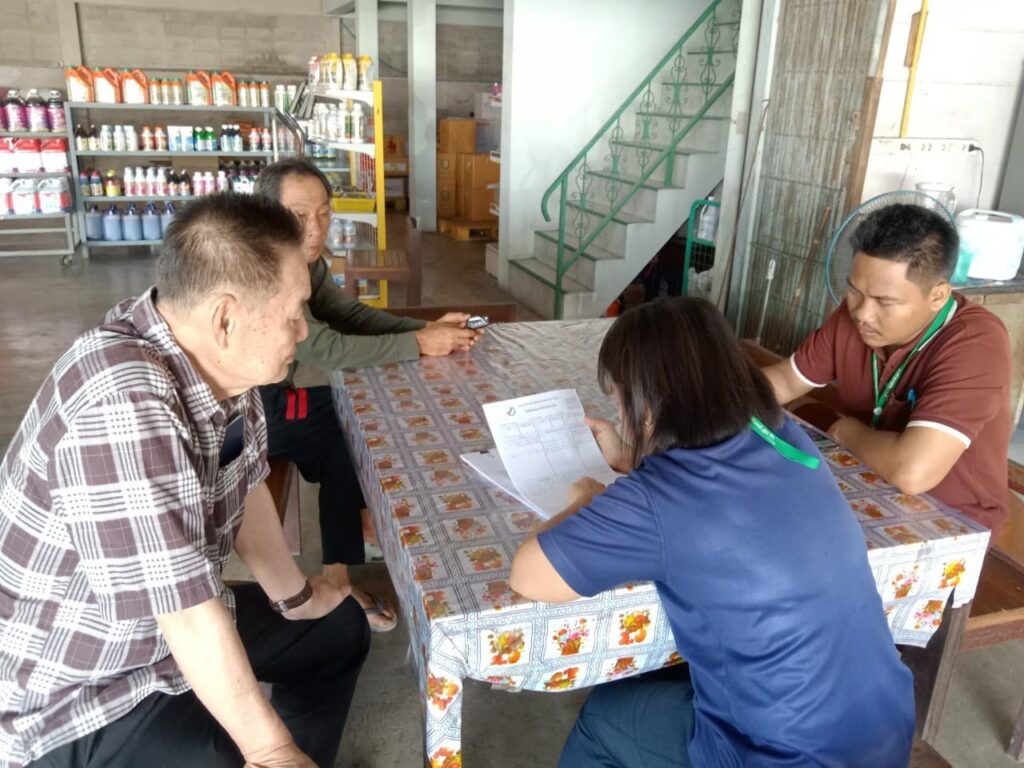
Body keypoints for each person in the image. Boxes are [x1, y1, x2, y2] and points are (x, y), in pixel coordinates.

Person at [0, 194, 369, 768]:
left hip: (166, 639)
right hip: (81, 689)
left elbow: (244, 484)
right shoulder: (120, 401)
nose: (302, 331)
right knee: (224, 752)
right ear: (225, 319)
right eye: (294, 312)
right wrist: (270, 749)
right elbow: (186, 614)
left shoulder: (219, 364)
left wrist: (295, 599)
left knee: (338, 628)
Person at [510, 297, 914, 767]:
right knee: (665, 679)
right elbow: (718, 500)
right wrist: (634, 457)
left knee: (604, 717)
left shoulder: (659, 496)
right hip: (884, 730)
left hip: (781, 758)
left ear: (645, 407)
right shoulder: (784, 436)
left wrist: (586, 498)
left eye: (618, 398)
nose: (619, 413)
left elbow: (528, 576)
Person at [254, 158, 481, 632]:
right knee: (346, 430)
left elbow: (349, 315)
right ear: (265, 215)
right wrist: (420, 343)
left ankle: (359, 527)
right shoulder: (264, 270)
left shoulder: (305, 262)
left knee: (355, 416)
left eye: (324, 213)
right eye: (299, 216)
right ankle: (340, 573)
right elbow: (325, 347)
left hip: (278, 396)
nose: (315, 228)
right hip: (249, 415)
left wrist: (424, 328)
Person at [761, 203, 1011, 538]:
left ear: (938, 296)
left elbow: (912, 472)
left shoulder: (976, 343)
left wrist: (845, 431)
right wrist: (713, 401)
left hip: (950, 523)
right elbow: (785, 380)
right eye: (854, 290)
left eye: (885, 301)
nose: (862, 313)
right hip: (861, 484)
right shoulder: (853, 317)